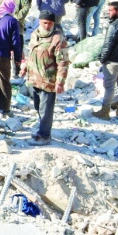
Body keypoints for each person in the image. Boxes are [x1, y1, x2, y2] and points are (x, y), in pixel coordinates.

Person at [22, 10, 70, 145]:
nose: (47, 26)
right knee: (38, 106)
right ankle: (41, 130)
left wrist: (60, 82)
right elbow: (31, 53)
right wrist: (25, 67)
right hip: (34, 78)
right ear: (39, 21)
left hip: (48, 80)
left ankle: (45, 135)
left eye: (50, 23)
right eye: (44, 23)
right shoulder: (35, 34)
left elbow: (63, 63)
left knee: (46, 109)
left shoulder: (57, 39)